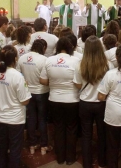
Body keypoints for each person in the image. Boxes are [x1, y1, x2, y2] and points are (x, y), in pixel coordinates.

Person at [39, 37, 80, 165]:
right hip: (72, 99)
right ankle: (70, 158)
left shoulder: (49, 60)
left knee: (58, 128)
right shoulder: (76, 60)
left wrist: (55, 82)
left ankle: (60, 157)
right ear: (71, 48)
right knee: (71, 129)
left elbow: (43, 81)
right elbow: (79, 83)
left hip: (54, 99)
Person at [73, 36, 112, 168]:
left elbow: (78, 85)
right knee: (102, 134)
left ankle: (87, 163)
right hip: (102, 103)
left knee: (86, 135)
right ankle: (102, 162)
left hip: (85, 103)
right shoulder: (108, 65)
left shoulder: (80, 64)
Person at [0, 45, 31, 168]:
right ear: (15, 59)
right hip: (15, 119)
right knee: (15, 148)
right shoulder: (17, 76)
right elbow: (25, 101)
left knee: (2, 147)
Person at [17, 39, 53, 155]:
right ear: (43, 48)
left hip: (28, 93)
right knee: (42, 119)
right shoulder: (44, 60)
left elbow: (19, 75)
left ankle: (32, 144)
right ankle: (44, 145)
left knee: (31, 118)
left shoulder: (22, 58)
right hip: (42, 92)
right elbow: (47, 79)